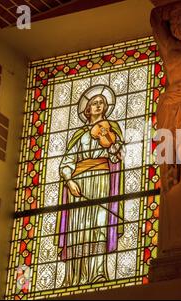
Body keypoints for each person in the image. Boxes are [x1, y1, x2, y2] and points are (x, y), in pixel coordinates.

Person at [55, 85, 124, 286]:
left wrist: (114, 148)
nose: (98, 106)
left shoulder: (112, 131)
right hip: (81, 183)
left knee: (98, 226)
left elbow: (116, 158)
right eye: (94, 103)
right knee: (77, 229)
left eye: (101, 103)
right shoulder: (79, 135)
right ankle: (74, 277)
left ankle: (98, 273)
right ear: (87, 109)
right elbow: (66, 162)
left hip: (101, 181)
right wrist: (69, 181)